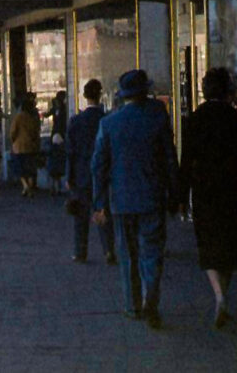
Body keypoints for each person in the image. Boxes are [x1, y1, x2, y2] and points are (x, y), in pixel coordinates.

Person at [92, 69, 178, 330]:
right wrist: (175, 194)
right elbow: (170, 160)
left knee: (127, 253)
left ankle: (133, 305)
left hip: (122, 200)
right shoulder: (157, 118)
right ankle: (151, 296)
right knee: (152, 252)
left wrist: (99, 203)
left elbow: (98, 166)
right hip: (152, 198)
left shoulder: (108, 124)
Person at [179, 68, 237, 329]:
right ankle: (225, 294)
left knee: (207, 244)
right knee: (230, 245)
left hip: (204, 191)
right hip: (231, 190)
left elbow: (186, 160)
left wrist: (179, 194)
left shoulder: (196, 119)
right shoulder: (236, 119)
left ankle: (219, 295)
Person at [66, 79, 115, 265]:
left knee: (80, 215)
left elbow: (70, 151)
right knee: (103, 210)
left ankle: (80, 252)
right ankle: (108, 249)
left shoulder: (76, 121)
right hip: (104, 173)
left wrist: (69, 176)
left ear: (85, 97)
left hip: (81, 173)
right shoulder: (107, 120)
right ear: (100, 95)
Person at [10, 97, 41, 198]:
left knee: (20, 169)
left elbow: (13, 132)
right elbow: (36, 132)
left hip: (19, 147)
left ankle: (25, 185)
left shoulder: (18, 117)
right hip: (31, 146)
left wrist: (13, 140)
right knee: (30, 168)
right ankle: (29, 188)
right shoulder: (33, 118)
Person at [45, 91, 68, 195]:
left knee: (54, 161)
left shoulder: (56, 108)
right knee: (58, 160)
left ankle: (54, 185)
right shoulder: (63, 108)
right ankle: (57, 185)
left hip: (55, 134)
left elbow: (47, 115)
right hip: (60, 134)